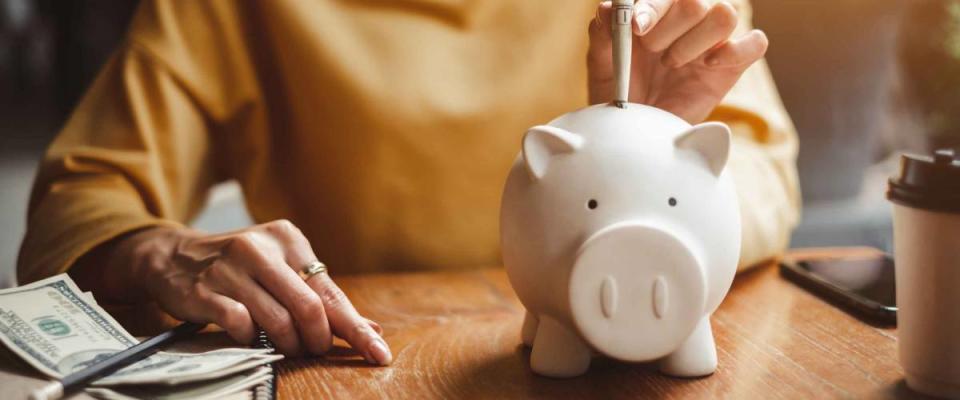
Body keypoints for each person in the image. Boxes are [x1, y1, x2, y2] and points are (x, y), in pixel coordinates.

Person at [17, 0, 800, 366]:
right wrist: (164, 251)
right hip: (368, 367)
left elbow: (764, 172)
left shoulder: (654, 9)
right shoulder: (228, 10)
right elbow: (75, 202)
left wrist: (649, 152)